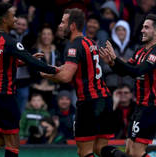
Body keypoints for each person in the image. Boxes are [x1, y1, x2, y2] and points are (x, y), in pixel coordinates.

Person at [0, 2, 59, 157]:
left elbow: (0, 61)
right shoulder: (10, 41)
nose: (15, 19)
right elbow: (35, 63)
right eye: (12, 16)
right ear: (3, 19)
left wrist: (25, 59)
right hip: (3, 97)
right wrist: (55, 70)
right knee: (13, 144)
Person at [41, 8, 113, 157]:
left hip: (89, 102)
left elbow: (66, 77)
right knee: (100, 148)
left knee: (84, 151)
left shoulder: (74, 46)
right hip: (104, 100)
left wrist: (47, 75)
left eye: (63, 22)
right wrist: (56, 69)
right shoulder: (89, 42)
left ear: (72, 26)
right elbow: (76, 68)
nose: (60, 26)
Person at [99, 14, 156, 157]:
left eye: (146, 27)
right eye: (142, 27)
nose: (142, 30)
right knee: (129, 152)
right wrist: (111, 62)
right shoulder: (140, 51)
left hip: (151, 108)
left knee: (136, 153)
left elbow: (136, 71)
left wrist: (116, 58)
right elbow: (125, 71)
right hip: (139, 107)